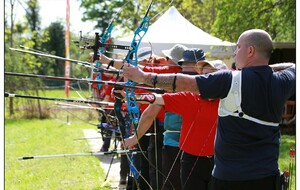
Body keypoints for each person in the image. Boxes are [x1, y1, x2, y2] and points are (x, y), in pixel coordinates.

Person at [122, 29, 296, 190]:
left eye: (238, 47)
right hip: (267, 178)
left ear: (250, 51)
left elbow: (184, 82)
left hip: (229, 179)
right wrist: (263, 70)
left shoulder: (230, 80)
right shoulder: (284, 81)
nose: (235, 52)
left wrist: (143, 77)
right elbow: (293, 66)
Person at [124, 49, 224, 190]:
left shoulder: (231, 101)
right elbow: (157, 99)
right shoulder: (191, 97)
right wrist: (131, 97)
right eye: (203, 75)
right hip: (187, 155)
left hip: (220, 160)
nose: (206, 80)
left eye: (210, 75)